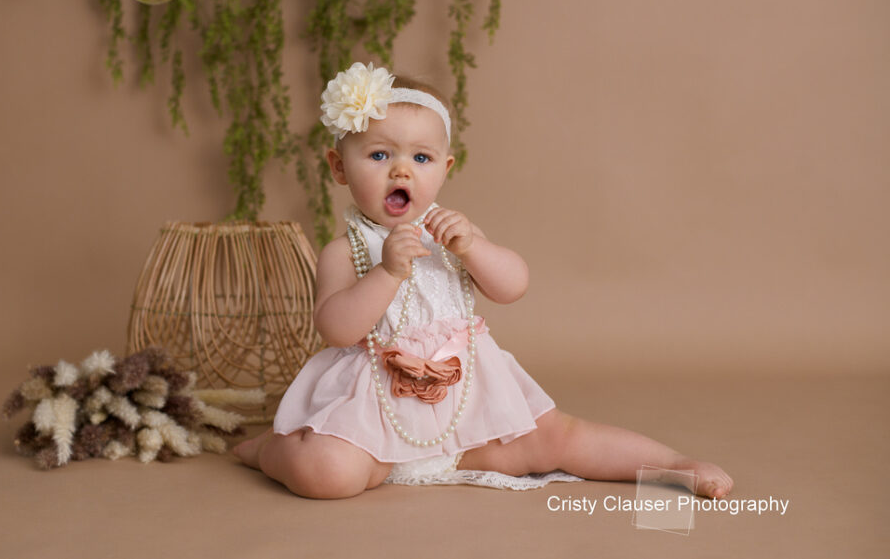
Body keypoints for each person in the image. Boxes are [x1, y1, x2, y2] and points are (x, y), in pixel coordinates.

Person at [233, 62, 733, 500]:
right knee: (327, 474)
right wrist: (386, 272)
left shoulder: (451, 236)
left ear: (445, 169)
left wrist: (475, 248)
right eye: (380, 155)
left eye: (421, 158)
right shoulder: (346, 251)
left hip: (465, 398)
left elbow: (513, 286)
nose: (402, 170)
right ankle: (271, 451)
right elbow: (335, 329)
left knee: (556, 439)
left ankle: (675, 467)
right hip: (375, 408)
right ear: (339, 168)